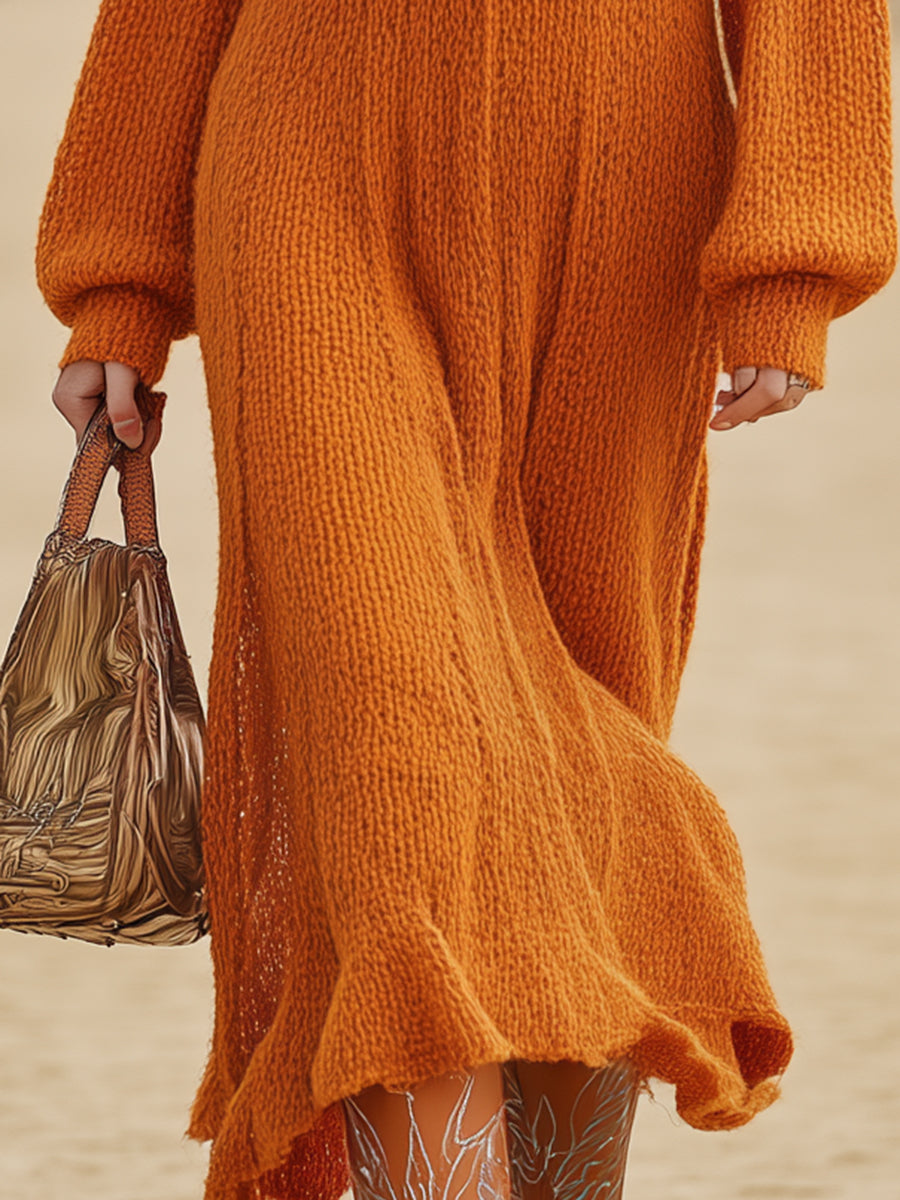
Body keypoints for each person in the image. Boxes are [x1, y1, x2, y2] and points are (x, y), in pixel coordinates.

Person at [36, 2, 896, 1198]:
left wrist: (796, 250)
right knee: (393, 741)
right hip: (307, 160)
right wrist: (118, 271)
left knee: (585, 750)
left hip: (623, 196)